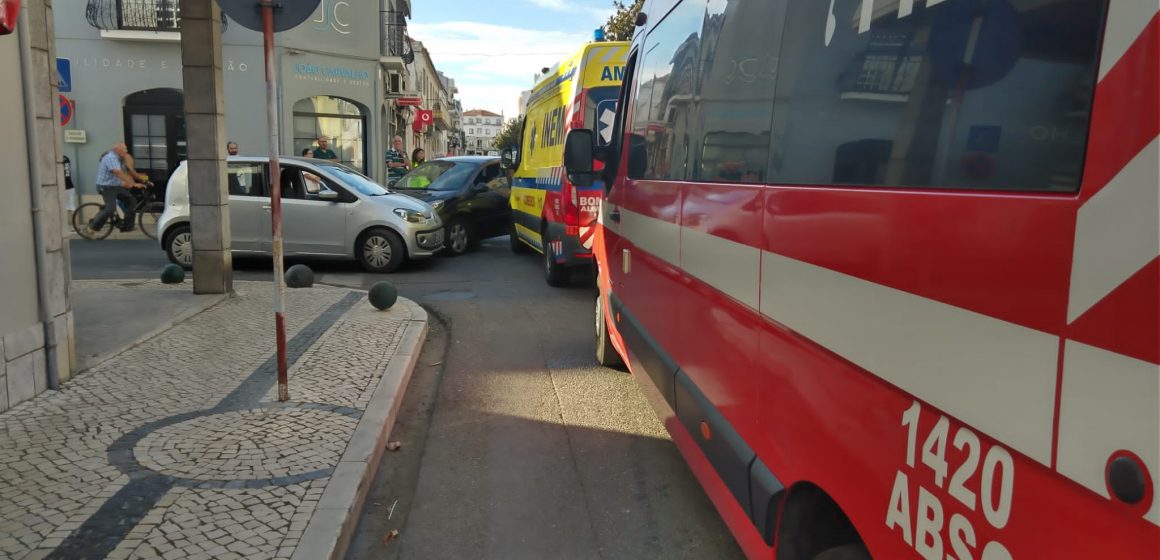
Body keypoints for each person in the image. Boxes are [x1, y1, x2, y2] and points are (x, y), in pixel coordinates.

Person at [90, 142, 142, 232]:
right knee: (110, 209)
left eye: (126, 149)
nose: (126, 151)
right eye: (124, 149)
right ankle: (92, 227)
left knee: (131, 201)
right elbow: (117, 172)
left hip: (116, 185)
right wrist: (133, 184)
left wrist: (143, 181)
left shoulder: (120, 158)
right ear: (117, 150)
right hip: (106, 186)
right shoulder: (111, 157)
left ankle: (128, 227)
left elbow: (129, 171)